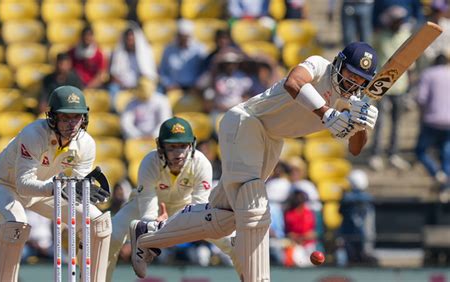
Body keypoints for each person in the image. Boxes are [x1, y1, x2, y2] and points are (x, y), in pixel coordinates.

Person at [129, 42, 380, 281]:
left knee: (223, 220)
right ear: (339, 64)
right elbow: (294, 82)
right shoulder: (319, 66)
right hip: (247, 121)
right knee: (254, 206)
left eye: (360, 79)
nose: (352, 82)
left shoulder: (352, 101)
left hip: (272, 140)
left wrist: (362, 124)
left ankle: (148, 236)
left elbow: (355, 149)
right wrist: (326, 113)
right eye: (350, 73)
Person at [0, 86, 112, 281]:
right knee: (16, 226)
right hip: (2, 184)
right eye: (65, 118)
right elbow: (23, 185)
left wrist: (76, 189)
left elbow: (75, 187)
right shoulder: (34, 134)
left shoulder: (86, 144)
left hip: (46, 188)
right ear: (53, 117)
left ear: (84, 118)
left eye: (76, 117)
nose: (71, 124)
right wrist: (58, 188)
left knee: (98, 224)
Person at [106, 117, 236, 281]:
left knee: (234, 242)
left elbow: (198, 211)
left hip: (186, 208)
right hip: (143, 207)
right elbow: (148, 208)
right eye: (172, 147)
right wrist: (152, 225)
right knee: (111, 237)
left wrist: (167, 226)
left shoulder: (201, 163)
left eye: (183, 146)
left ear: (191, 145)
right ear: (161, 147)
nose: (179, 154)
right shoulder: (149, 162)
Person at [369, 5, 412, 171]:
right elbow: (374, 58)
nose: (399, 23)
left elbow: (410, 61)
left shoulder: (406, 35)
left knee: (396, 122)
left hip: (400, 85)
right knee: (379, 122)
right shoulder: (380, 36)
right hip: (382, 83)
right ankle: (376, 154)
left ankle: (393, 154)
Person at [415, 54, 450, 197]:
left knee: (420, 151)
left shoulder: (428, 74)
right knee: (446, 153)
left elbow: (421, 99)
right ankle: (445, 186)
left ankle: (436, 173)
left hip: (432, 120)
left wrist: (421, 117)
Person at [108, 23, 157, 102]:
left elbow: (149, 74)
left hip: (140, 86)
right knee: (113, 88)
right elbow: (114, 75)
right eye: (128, 39)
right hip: (122, 87)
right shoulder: (118, 53)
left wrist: (139, 85)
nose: (130, 41)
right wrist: (124, 84)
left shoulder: (145, 53)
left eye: (132, 38)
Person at [338, 169, 376, 265]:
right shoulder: (368, 198)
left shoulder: (347, 198)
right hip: (364, 237)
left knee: (351, 261)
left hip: (350, 236)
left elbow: (340, 211)